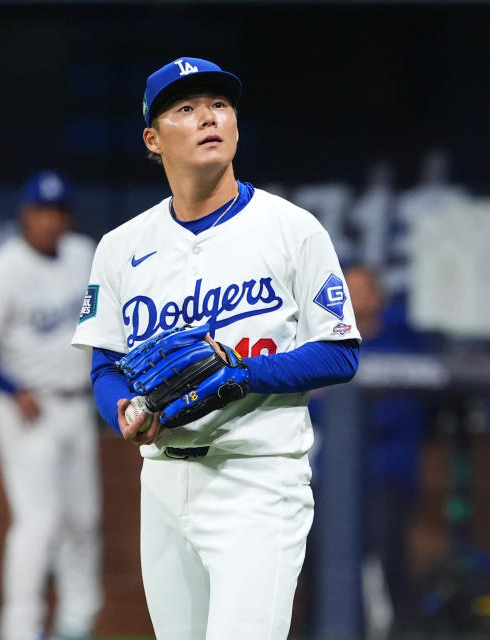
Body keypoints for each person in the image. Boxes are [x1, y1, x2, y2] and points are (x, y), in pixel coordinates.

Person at [71, 57, 360, 640]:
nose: (208, 117)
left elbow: (340, 353)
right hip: (164, 482)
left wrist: (240, 373)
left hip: (256, 479)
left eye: (219, 105)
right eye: (186, 108)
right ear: (154, 139)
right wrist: (122, 412)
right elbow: (105, 366)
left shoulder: (292, 228)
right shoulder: (121, 246)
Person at [0, 170, 100, 640]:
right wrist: (10, 388)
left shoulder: (85, 254)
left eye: (58, 211)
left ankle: (77, 621)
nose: (50, 221)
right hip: (28, 407)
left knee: (84, 520)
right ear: (24, 214)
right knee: (39, 521)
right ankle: (20, 629)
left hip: (77, 404)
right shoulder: (2, 270)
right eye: (41, 211)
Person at [343, 264, 429, 636]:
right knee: (321, 566)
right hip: (330, 479)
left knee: (387, 565)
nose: (352, 297)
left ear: (379, 297)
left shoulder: (403, 345)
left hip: (386, 477)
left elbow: (391, 416)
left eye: (361, 289)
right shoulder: (320, 343)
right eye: (345, 289)